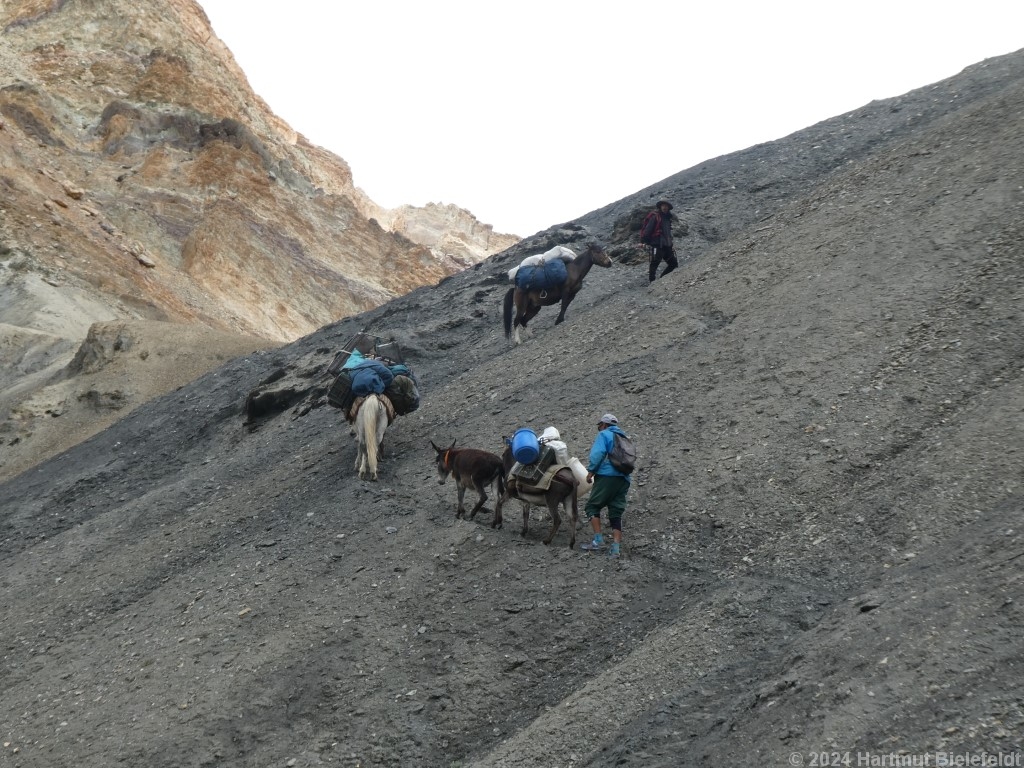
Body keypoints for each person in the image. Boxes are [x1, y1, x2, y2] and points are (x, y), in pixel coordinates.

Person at [580, 414, 631, 558]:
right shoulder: (624, 438)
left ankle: (598, 541)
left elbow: (598, 454)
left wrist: (591, 472)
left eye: (600, 424)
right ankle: (615, 549)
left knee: (592, 506)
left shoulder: (605, 434)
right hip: (624, 479)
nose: (599, 427)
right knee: (616, 511)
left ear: (604, 424)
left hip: (607, 476)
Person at [641, 200, 678, 283]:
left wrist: (671, 244)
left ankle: (662, 279)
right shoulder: (655, 217)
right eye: (663, 205)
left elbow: (668, 232)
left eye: (666, 206)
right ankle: (652, 282)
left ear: (668, 208)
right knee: (654, 263)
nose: (665, 207)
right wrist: (645, 242)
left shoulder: (668, 218)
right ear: (660, 207)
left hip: (667, 245)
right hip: (657, 244)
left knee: (673, 263)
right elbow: (648, 229)